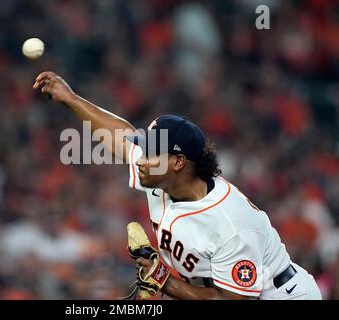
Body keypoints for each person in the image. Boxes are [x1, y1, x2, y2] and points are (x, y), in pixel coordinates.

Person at [32, 71, 322, 300]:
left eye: (152, 151)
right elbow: (122, 136)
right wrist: (70, 98)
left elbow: (230, 299)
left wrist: (163, 280)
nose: (142, 158)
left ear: (179, 162)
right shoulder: (161, 173)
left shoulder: (231, 224)